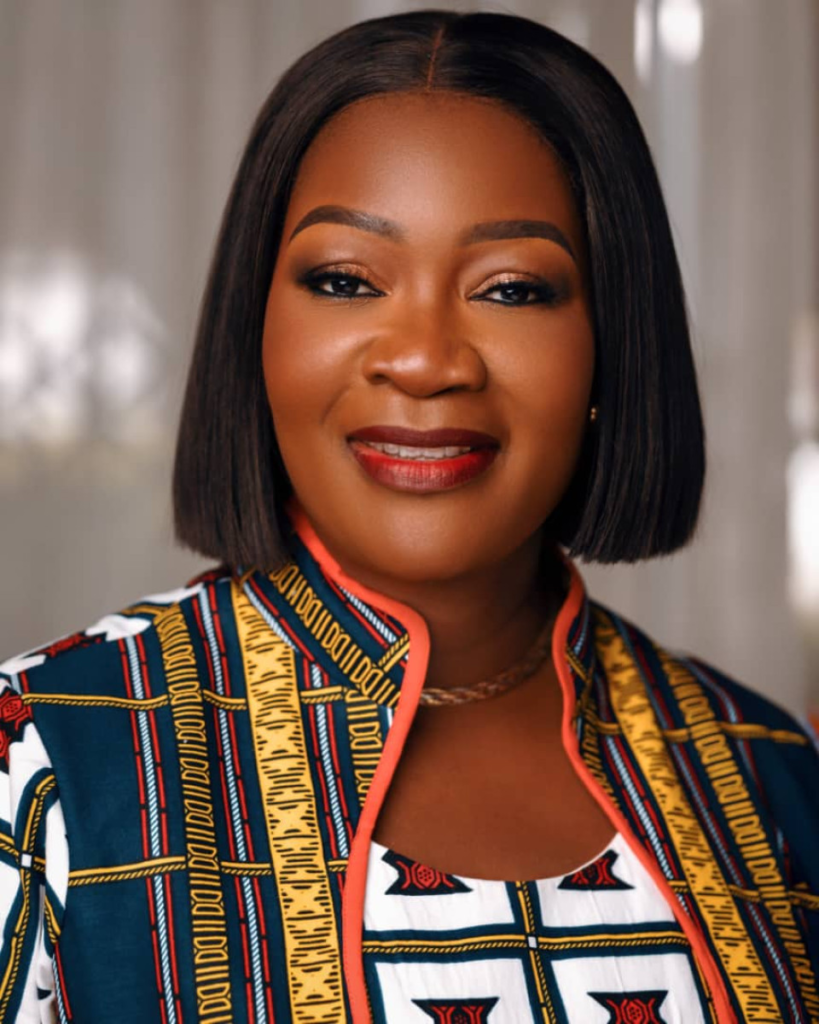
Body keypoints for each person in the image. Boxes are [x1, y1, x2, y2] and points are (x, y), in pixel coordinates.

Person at [1, 8, 817, 1022]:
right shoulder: (41, 753)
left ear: (612, 340)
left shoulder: (769, 765)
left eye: (512, 290)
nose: (427, 360)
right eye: (345, 281)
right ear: (256, 330)